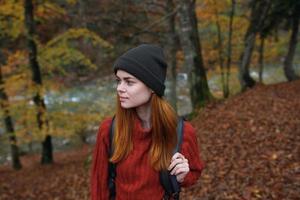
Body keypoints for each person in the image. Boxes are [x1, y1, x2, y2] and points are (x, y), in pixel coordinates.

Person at [91, 44, 204, 200]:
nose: (120, 88)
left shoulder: (181, 132)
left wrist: (182, 176)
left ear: (152, 87)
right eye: (119, 81)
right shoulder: (109, 130)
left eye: (129, 82)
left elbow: (194, 174)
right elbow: (99, 188)